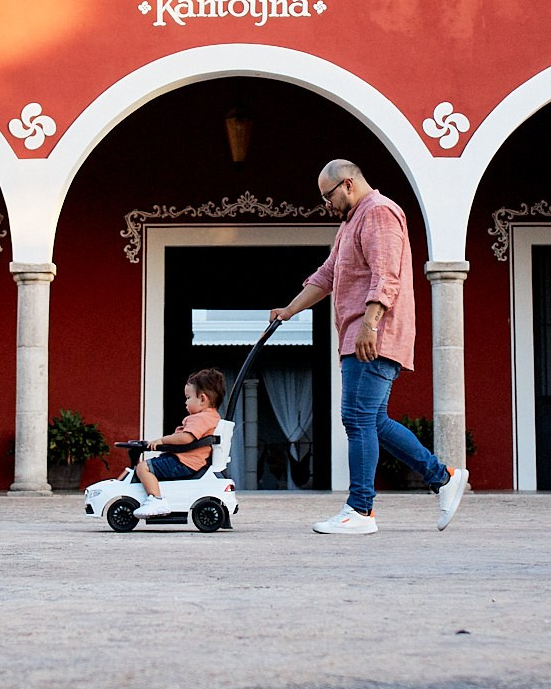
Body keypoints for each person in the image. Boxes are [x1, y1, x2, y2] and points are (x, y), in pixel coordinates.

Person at [271, 159, 467, 534]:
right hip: (359, 335)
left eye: (327, 196)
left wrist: (369, 325)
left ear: (347, 184)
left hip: (372, 336)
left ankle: (360, 510)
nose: (326, 204)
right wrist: (290, 311)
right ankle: (442, 478)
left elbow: (386, 274)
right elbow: (327, 274)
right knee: (373, 420)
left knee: (357, 419)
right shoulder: (350, 224)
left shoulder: (378, 213)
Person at [133, 366, 225, 516]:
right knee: (154, 464)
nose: (185, 403)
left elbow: (186, 437)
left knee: (143, 467)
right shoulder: (212, 417)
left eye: (188, 398)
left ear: (202, 399)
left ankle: (156, 500)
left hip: (185, 462)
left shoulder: (200, 418)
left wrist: (162, 440)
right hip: (189, 461)